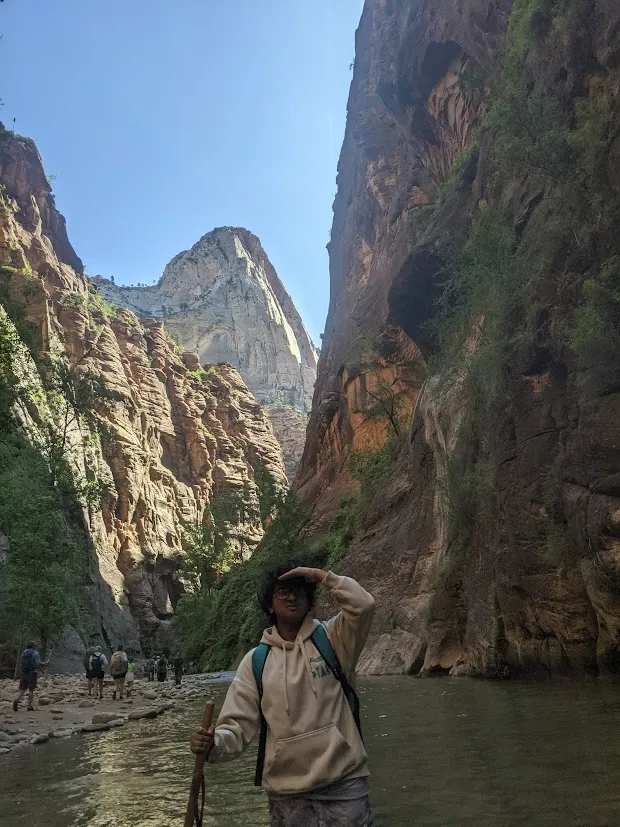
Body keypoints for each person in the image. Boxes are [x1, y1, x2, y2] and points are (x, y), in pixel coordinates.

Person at [190, 563, 375, 827]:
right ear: (269, 606)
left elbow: (364, 605)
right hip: (287, 796)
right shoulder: (256, 662)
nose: (292, 596)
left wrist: (322, 576)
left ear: (309, 599)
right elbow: (236, 729)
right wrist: (213, 745)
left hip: (344, 786)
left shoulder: (334, 639)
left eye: (300, 591)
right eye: (283, 591)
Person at [13, 643, 48, 712]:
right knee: (31, 690)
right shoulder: (35, 653)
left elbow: (21, 663)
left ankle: (16, 699)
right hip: (32, 673)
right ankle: (29, 706)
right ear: (34, 646)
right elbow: (38, 663)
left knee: (22, 689)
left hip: (24, 673)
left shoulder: (24, 652)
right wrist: (46, 663)